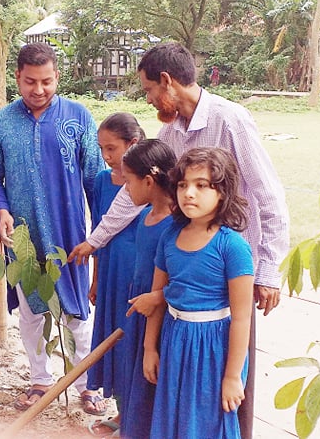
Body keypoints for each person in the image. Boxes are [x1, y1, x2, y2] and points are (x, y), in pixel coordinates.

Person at [70, 42, 289, 439]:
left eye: (150, 90)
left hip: (228, 276)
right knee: (180, 381)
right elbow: (134, 191)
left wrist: (269, 271)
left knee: (228, 382)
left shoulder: (231, 119)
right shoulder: (170, 132)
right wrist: (96, 239)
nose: (149, 99)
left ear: (167, 83)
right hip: (183, 273)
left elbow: (268, 195)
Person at [0, 42, 107, 415]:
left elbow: (94, 177)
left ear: (57, 77)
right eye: (30, 82)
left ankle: (86, 383)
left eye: (47, 82)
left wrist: (97, 234)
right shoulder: (1, 122)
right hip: (21, 235)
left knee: (77, 308)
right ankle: (40, 379)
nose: (39, 90)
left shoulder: (78, 117)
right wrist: (0, 209)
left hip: (70, 233)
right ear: (17, 78)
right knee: (30, 309)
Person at [143, 147, 254, 439]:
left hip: (213, 346)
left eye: (201, 185)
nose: (189, 193)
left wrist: (232, 376)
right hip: (174, 337)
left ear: (223, 191)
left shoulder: (232, 247)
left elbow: (242, 318)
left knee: (207, 420)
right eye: (183, 185)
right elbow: (157, 298)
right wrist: (149, 348)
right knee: (173, 414)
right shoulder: (169, 236)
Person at [85, 113, 144, 435]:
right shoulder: (100, 181)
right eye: (102, 149)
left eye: (112, 149)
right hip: (110, 272)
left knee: (134, 341)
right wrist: (96, 279)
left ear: (132, 145)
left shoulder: (151, 182)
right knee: (114, 341)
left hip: (138, 276)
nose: (107, 157)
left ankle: (138, 415)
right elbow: (98, 229)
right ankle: (123, 413)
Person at [116, 140, 177, 439]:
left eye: (128, 181)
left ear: (149, 181)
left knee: (151, 380)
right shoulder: (144, 216)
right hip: (140, 314)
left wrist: (150, 345)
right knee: (134, 384)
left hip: (159, 320)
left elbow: (169, 287)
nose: (126, 189)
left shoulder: (174, 228)